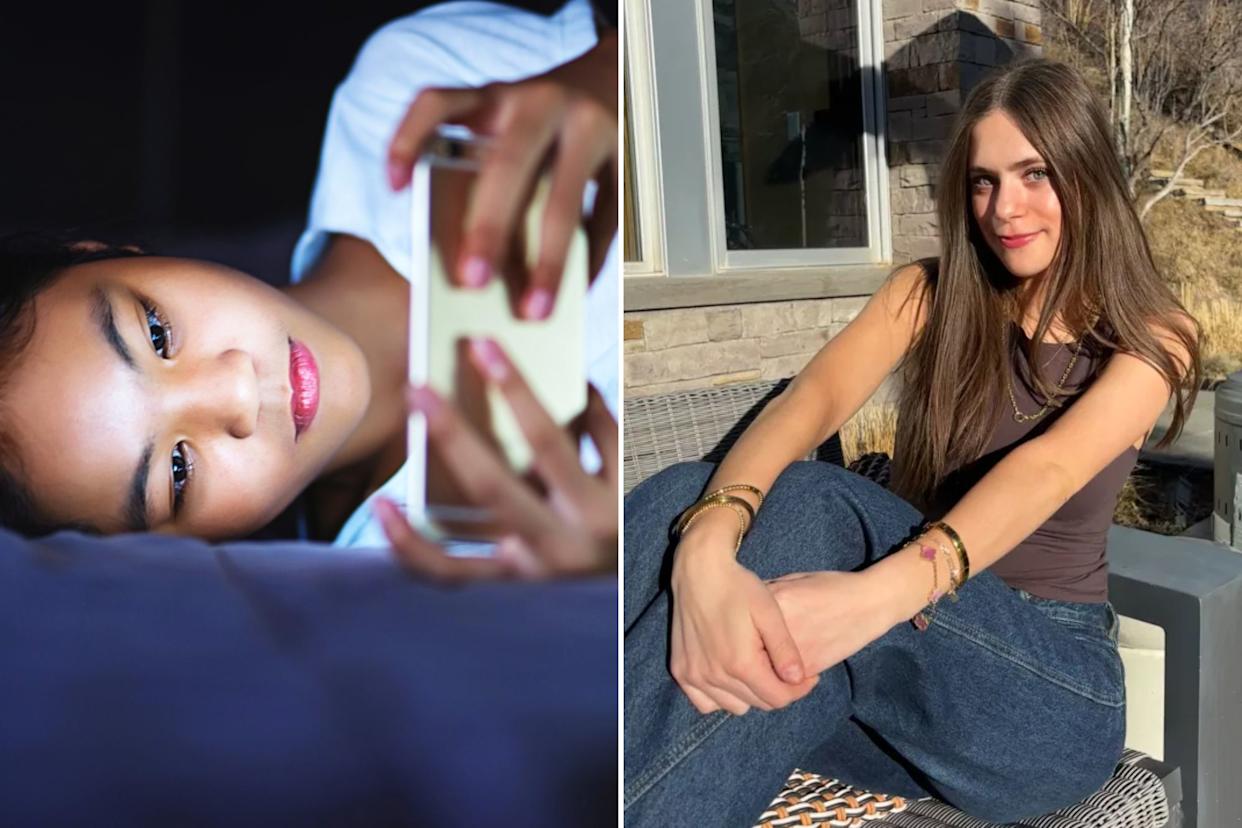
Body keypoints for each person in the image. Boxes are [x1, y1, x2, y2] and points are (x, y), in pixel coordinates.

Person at [623, 58, 1201, 825]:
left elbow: (1050, 467)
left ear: (1086, 174)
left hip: (1043, 693)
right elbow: (813, 401)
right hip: (894, 694)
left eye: (1035, 174)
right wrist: (706, 545)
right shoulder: (926, 296)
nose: (1004, 208)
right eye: (984, 181)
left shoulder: (1156, 336)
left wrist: (876, 596)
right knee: (678, 506)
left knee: (821, 505)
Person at [0, 0, 619, 578]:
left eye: (156, 333)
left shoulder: (405, 95)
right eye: (178, 473)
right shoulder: (410, 592)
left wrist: (613, 79)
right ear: (181, 552)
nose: (239, 391)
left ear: (112, 255)